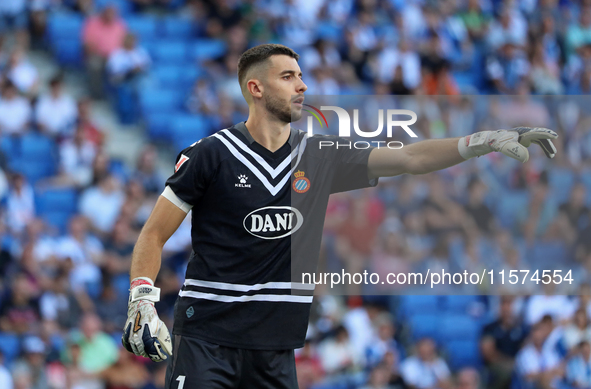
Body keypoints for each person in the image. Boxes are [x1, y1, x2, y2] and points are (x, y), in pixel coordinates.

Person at [120, 43, 558, 388]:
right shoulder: (211, 154)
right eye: (288, 77)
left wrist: (480, 140)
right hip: (206, 341)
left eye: (302, 76)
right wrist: (142, 298)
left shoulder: (320, 155)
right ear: (255, 88)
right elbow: (153, 235)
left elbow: (408, 158)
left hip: (275, 348)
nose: (302, 86)